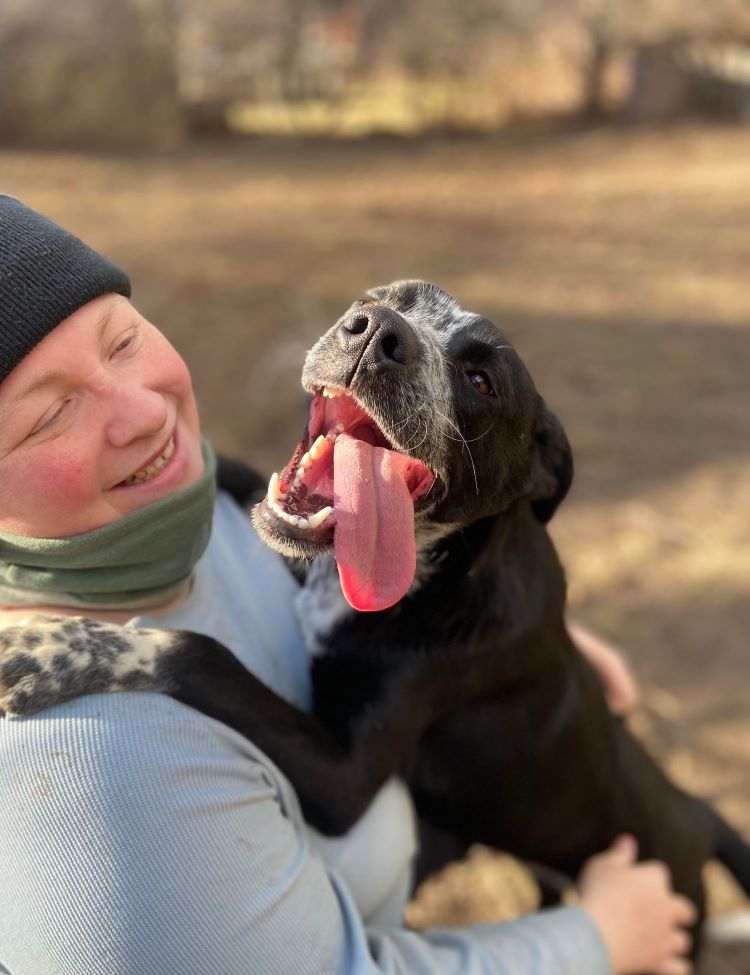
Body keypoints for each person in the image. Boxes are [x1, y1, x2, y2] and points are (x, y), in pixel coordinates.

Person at [0, 196, 696, 975]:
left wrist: (532, 647)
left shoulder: (193, 506)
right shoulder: (91, 775)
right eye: (50, 413)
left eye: (123, 339)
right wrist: (596, 939)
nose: (144, 413)